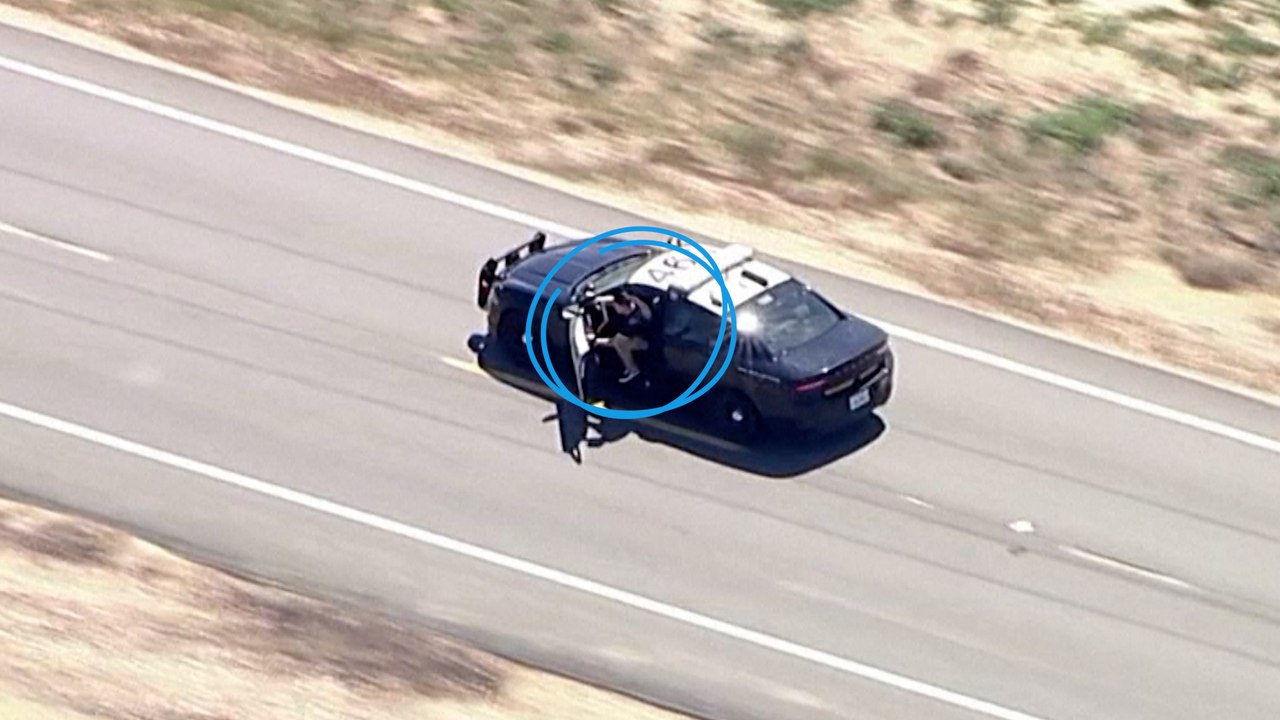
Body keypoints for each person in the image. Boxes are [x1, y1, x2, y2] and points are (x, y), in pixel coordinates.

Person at [599, 291, 652, 384]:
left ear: (622, 306)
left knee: (620, 342)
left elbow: (619, 339)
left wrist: (600, 342)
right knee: (618, 342)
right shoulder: (627, 315)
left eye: (616, 306)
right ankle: (629, 367)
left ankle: (632, 369)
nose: (615, 308)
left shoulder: (638, 316)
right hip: (635, 339)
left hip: (649, 343)